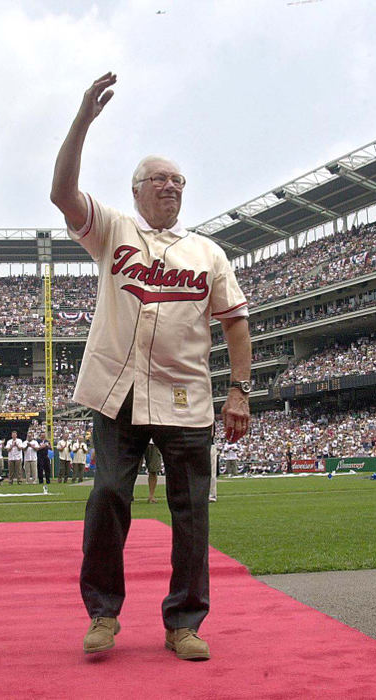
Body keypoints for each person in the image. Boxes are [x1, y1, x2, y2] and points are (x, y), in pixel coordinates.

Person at [50, 72, 251, 661]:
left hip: (186, 395)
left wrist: (239, 392)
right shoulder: (114, 229)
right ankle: (102, 614)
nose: (170, 186)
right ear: (137, 189)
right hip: (118, 392)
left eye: (178, 180)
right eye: (159, 178)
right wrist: (83, 119)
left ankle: (184, 622)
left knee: (191, 513)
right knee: (108, 495)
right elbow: (63, 193)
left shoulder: (207, 251)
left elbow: (236, 323)